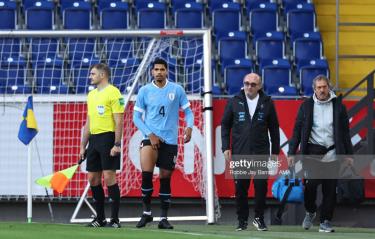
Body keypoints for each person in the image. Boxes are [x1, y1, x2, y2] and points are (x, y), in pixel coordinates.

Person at [133, 58, 194, 229]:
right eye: (156, 69)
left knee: (165, 178)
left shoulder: (177, 89)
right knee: (146, 175)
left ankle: (163, 218)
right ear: (152, 72)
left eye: (162, 69)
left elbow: (188, 112)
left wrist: (189, 127)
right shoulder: (144, 91)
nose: (159, 72)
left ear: (167, 71)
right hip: (149, 139)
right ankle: (146, 214)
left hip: (170, 140)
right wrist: (150, 134)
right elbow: (136, 117)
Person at [287, 75, 353, 233]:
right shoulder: (306, 106)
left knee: (330, 190)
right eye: (319, 87)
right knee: (311, 185)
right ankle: (310, 211)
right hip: (312, 152)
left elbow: (345, 132)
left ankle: (325, 221)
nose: (322, 90)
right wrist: (291, 152)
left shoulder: (339, 106)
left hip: (332, 152)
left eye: (324, 87)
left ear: (328, 87)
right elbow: (297, 131)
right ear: (314, 89)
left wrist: (349, 155)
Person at [221, 73, 280, 231]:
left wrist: (275, 152)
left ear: (259, 86)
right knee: (241, 188)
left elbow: (274, 128)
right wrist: (225, 147)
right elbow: (225, 125)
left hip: (261, 151)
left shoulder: (267, 102)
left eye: (253, 84)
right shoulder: (234, 101)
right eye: (246, 83)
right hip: (240, 151)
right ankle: (242, 220)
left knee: (261, 187)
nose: (249, 87)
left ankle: (259, 218)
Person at [79, 63, 124, 228]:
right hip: (94, 140)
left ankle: (115, 220)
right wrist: (82, 146)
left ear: (103, 75)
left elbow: (119, 120)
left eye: (93, 74)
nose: (90, 76)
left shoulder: (114, 92)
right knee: (93, 178)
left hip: (108, 138)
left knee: (109, 176)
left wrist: (117, 143)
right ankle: (100, 218)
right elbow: (88, 121)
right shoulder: (91, 95)